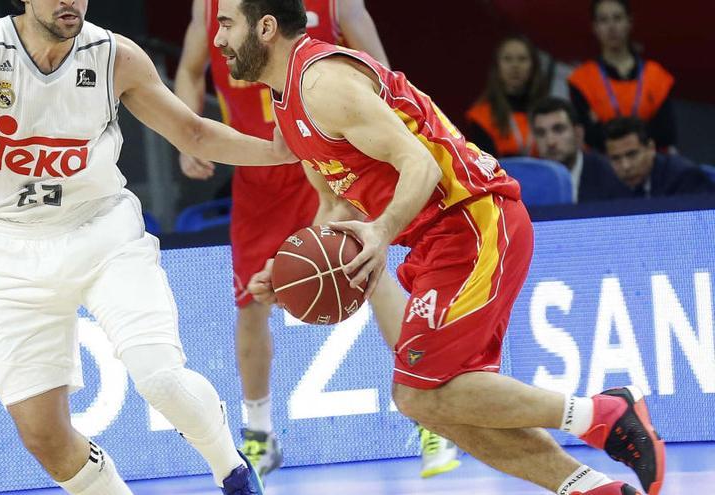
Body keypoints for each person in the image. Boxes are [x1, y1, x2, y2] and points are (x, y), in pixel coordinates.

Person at [211, 1, 666, 494]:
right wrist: (288, 272)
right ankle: (589, 486)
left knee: (418, 392)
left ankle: (604, 413)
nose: (218, 41)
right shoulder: (288, 102)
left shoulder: (324, 85)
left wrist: (382, 231)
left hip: (475, 221)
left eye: (227, 25)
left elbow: (421, 166)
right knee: (425, 399)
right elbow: (334, 205)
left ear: (266, 27)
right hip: (437, 241)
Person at [0, 0, 300, 493]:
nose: (71, 1)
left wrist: (275, 152)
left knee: (159, 376)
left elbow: (191, 131)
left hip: (102, 231)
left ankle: (232, 472)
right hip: (11, 249)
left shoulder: (115, 56)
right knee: (43, 434)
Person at [175, 0, 459, 479]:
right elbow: (188, 70)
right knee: (251, 301)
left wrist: (371, 142)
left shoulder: (334, 4)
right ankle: (260, 434)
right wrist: (187, 137)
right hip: (261, 172)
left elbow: (384, 77)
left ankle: (430, 415)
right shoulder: (212, 8)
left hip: (324, 152)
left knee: (371, 271)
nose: (224, 35)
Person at [568, 0, 676, 151]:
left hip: (651, 162)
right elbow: (588, 134)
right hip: (602, 165)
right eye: (603, 20)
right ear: (595, 27)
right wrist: (642, 129)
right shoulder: (581, 79)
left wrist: (605, 127)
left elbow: (666, 134)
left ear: (629, 22)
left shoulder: (657, 76)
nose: (611, 27)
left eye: (617, 18)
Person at [466, 35, 548, 158]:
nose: (515, 65)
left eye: (522, 59)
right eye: (507, 59)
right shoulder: (481, 116)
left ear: (533, 66)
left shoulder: (549, 112)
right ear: (497, 66)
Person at [530, 97, 625, 203]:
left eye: (558, 129)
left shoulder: (607, 173)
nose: (550, 142)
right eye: (541, 133)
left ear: (578, 134)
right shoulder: (528, 182)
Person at [603, 117, 715, 198]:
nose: (625, 166)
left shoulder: (682, 178)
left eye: (632, 155)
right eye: (616, 158)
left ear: (651, 148)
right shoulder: (607, 184)